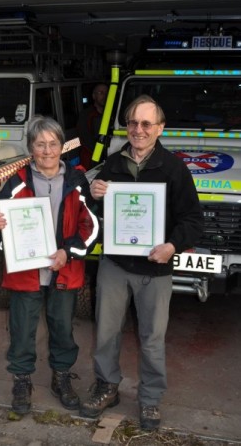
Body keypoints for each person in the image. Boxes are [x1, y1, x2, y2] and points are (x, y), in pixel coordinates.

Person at [79, 95, 204, 430]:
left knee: (151, 339)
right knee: (106, 332)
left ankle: (150, 401)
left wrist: (173, 245)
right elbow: (97, 216)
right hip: (115, 265)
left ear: (160, 128)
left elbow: (193, 219)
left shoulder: (174, 168)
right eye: (133, 122)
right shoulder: (114, 164)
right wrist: (96, 196)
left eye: (146, 123)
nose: (138, 129)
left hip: (155, 269)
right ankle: (107, 387)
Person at [0, 115, 99, 415]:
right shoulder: (16, 181)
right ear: (31, 148)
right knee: (22, 329)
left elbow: (91, 224)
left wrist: (69, 252)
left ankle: (61, 378)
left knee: (62, 328)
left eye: (53, 144)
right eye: (40, 144)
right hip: (26, 273)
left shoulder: (77, 180)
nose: (47, 151)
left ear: (62, 146)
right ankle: (22, 379)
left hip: (64, 269)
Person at [76, 83, 108, 170]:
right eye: (101, 93)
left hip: (108, 156)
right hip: (90, 159)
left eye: (106, 93)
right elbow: (85, 138)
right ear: (94, 96)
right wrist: (100, 153)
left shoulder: (114, 115)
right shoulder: (86, 115)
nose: (104, 96)